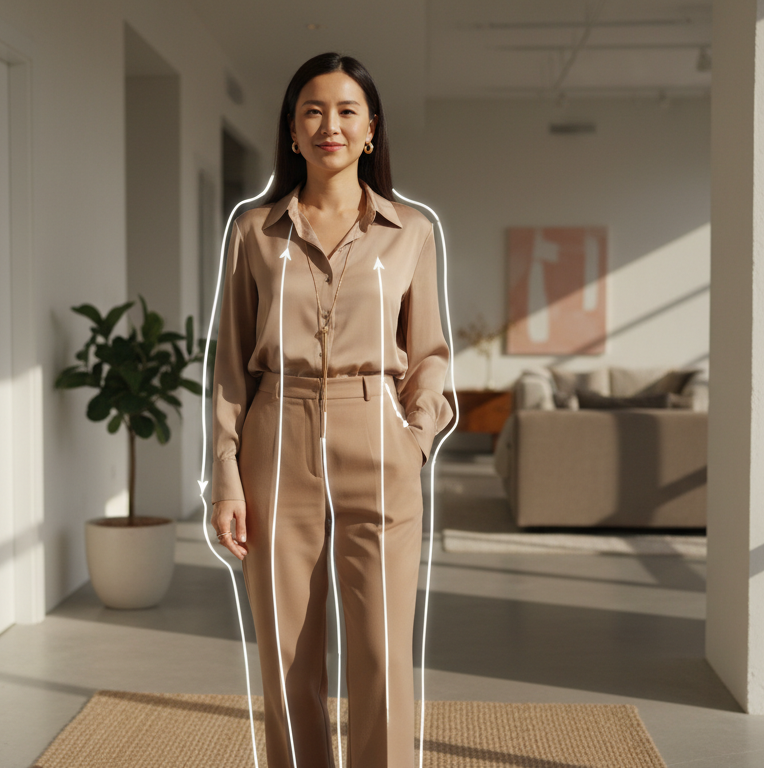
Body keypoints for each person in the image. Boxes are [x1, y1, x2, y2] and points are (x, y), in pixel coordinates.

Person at [210, 52, 452, 768]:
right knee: (287, 656)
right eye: (313, 110)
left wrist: (414, 435)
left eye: (347, 110)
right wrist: (224, 469)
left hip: (377, 437)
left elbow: (430, 352)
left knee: (382, 654)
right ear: (291, 129)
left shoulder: (410, 231)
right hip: (275, 436)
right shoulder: (254, 231)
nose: (330, 125)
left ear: (371, 129)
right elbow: (229, 363)